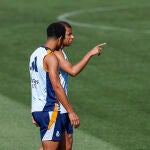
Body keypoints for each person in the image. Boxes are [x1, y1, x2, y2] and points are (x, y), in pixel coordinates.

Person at [35, 21, 106, 150]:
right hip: (55, 108)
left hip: (55, 107)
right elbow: (71, 72)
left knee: (66, 145)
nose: (72, 37)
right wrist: (90, 53)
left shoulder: (48, 53)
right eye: (69, 34)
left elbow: (38, 83)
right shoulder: (53, 54)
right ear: (60, 36)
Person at [29, 22, 80, 150]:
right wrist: (71, 111)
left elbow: (37, 84)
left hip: (40, 110)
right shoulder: (51, 57)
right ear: (60, 38)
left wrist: (36, 111)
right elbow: (56, 85)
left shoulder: (35, 54)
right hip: (50, 111)